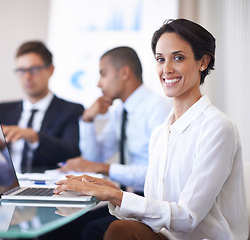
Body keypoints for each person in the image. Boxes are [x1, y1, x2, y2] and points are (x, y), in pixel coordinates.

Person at [54, 19, 248, 240]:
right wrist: (113, 193)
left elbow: (187, 218)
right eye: (160, 59)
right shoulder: (161, 132)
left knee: (114, 231)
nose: (166, 69)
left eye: (178, 58)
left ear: (203, 62)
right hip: (166, 234)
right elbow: (157, 207)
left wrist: (116, 195)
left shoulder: (217, 128)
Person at [40, 46, 171, 240]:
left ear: (124, 72)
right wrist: (87, 119)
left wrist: (101, 167)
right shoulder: (120, 111)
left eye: (103, 74)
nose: (99, 84)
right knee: (58, 225)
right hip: (129, 197)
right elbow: (93, 157)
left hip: (152, 202)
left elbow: (157, 176)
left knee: (90, 230)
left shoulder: (158, 108)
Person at [0, 41, 84, 172]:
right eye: (21, 70)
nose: (27, 77)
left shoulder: (70, 110)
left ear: (50, 70)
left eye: (34, 69)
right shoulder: (4, 109)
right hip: (6, 184)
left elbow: (71, 152)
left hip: (46, 185)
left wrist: (34, 137)